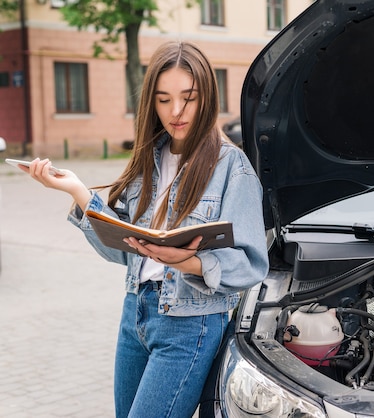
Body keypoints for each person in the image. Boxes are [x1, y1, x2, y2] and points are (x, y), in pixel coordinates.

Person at [20, 41, 269, 417]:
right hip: (135, 313)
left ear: (207, 97)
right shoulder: (149, 159)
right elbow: (123, 251)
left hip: (190, 325)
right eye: (163, 99)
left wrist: (190, 263)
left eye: (188, 97)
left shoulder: (232, 167)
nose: (176, 111)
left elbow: (252, 264)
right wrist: (75, 190)